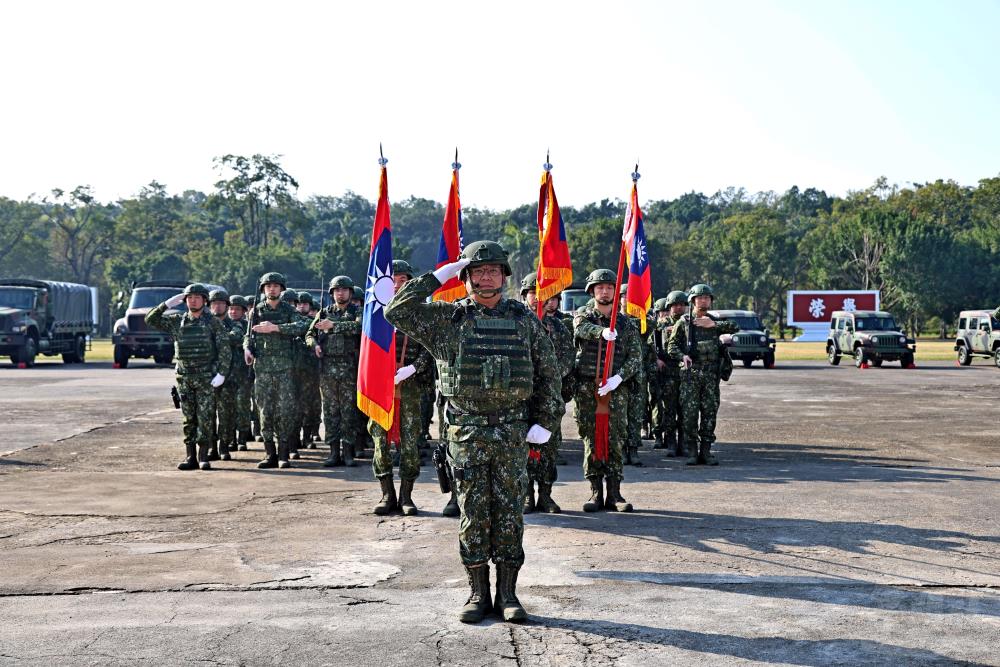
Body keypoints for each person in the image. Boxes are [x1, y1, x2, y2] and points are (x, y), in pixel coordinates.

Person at [385, 240, 563, 624]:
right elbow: (395, 310)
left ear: (504, 276)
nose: (486, 276)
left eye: (493, 270)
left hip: (512, 431)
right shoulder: (446, 320)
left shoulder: (523, 319)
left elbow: (548, 374)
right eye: (477, 271)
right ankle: (477, 594)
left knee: (511, 514)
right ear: (465, 277)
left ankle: (509, 594)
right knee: (473, 513)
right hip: (466, 434)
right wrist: (437, 276)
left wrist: (545, 421)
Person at [573, 270, 642, 512]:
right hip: (587, 390)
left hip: (616, 390)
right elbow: (580, 329)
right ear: (592, 291)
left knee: (615, 439)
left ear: (615, 292)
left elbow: (636, 357)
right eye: (599, 287)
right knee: (591, 439)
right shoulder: (583, 316)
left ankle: (615, 493)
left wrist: (618, 378)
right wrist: (599, 332)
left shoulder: (626, 323)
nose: (604, 291)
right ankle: (595, 492)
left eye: (609, 288)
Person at [145, 283, 231, 470]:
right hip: (184, 378)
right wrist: (166, 305)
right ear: (185, 301)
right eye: (189, 298)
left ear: (204, 300)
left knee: (205, 417)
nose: (193, 300)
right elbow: (150, 319)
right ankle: (190, 457)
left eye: (197, 297)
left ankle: (203, 457)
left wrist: (222, 373)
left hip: (206, 377)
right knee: (188, 418)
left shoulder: (213, 323)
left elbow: (225, 349)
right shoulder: (177, 321)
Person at [371, 260, 433, 516]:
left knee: (409, 445)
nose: (397, 285)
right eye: (393, 280)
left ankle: (407, 496)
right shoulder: (374, 314)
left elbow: (430, 348)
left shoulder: (419, 313)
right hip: (380, 388)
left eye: (403, 280)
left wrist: (413, 368)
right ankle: (387, 495)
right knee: (380, 443)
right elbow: (364, 349)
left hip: (410, 388)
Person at [519, 273, 574, 514]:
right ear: (525, 296)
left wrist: (547, 376)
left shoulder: (559, 328)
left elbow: (567, 359)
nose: (539, 298)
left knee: (548, 449)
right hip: (520, 398)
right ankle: (527, 495)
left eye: (545, 294)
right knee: (523, 449)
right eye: (534, 293)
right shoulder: (516, 323)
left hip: (548, 399)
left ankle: (546, 495)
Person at [666, 284, 739, 466]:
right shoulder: (684, 322)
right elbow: (671, 346)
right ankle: (692, 451)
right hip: (691, 376)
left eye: (707, 297)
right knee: (689, 415)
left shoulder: (714, 321)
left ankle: (706, 451)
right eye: (700, 297)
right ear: (693, 301)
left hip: (710, 377)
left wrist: (713, 324)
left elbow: (735, 326)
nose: (704, 300)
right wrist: (682, 356)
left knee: (709, 414)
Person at [244, 273, 310, 469]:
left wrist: (276, 328)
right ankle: (269, 454)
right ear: (263, 289)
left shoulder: (288, 309)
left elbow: (304, 326)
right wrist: (247, 349)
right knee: (265, 411)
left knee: (285, 411)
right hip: (263, 369)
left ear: (281, 289)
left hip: (284, 369)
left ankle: (283, 454)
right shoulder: (256, 311)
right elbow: (248, 335)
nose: (272, 289)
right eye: (268, 286)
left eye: (275, 286)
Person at [305, 276, 362, 467]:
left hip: (349, 369)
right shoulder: (324, 313)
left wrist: (334, 326)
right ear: (332, 294)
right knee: (330, 412)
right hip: (328, 370)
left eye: (344, 290)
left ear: (350, 293)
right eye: (337, 290)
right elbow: (309, 334)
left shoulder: (357, 312)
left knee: (348, 411)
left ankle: (348, 453)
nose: (340, 293)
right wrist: (314, 345)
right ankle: (333, 453)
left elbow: (360, 327)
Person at [653, 292, 688, 456]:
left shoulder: (689, 323)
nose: (679, 307)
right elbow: (651, 345)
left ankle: (683, 443)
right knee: (669, 410)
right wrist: (657, 360)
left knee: (685, 410)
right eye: (675, 305)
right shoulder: (661, 324)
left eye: (681, 304)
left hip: (685, 372)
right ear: (669, 306)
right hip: (667, 372)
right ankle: (671, 443)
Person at [207, 289, 240, 461]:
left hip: (229, 376)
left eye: (221, 303)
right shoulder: (204, 323)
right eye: (214, 303)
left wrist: (216, 337)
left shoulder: (234, 324)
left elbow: (236, 337)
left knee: (226, 414)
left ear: (226, 306)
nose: (217, 306)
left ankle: (224, 446)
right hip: (207, 376)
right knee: (208, 414)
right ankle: (211, 447)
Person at [227, 295, 253, 451]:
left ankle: (242, 437)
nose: (233, 311)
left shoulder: (247, 326)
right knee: (228, 408)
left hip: (243, 373)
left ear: (243, 311)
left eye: (237, 309)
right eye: (231, 308)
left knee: (243, 406)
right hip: (226, 373)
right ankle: (230, 439)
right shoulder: (223, 325)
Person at [297, 291, 322, 447]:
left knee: (310, 405)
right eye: (299, 304)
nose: (301, 306)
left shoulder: (314, 323)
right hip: (294, 369)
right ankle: (294, 440)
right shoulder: (291, 320)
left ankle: (308, 437)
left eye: (305, 304)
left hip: (311, 369)